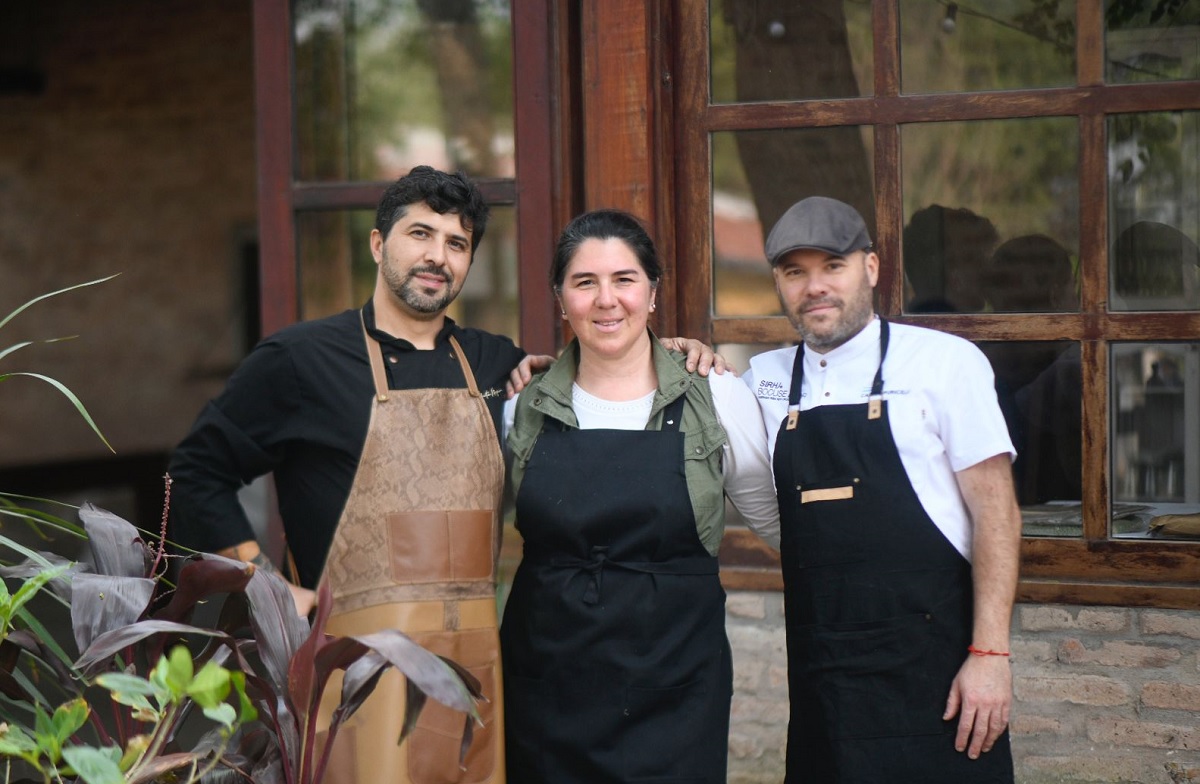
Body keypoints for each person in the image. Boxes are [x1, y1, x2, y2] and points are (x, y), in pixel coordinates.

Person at [167, 167, 720, 784]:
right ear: (379, 246)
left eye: (457, 244)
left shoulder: (496, 363)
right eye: (420, 234)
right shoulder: (299, 362)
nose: (437, 256)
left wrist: (672, 353)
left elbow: (595, 365)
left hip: (474, 675)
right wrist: (266, 585)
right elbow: (196, 469)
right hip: (353, 670)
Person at [743, 196, 1021, 782]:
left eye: (832, 266)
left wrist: (991, 655)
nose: (815, 287)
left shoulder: (946, 362)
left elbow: (998, 513)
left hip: (939, 680)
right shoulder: (760, 381)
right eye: (796, 272)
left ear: (871, 268)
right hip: (823, 683)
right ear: (779, 283)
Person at [501, 209, 780, 783]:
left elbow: (780, 526)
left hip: (674, 692)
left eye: (624, 279)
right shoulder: (521, 408)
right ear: (561, 299)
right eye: (585, 282)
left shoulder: (716, 399)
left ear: (652, 294)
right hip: (548, 690)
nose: (607, 300)